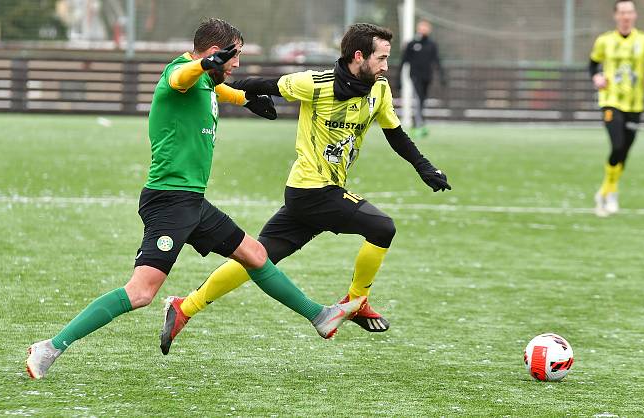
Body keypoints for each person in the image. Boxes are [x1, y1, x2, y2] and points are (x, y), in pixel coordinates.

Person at [25, 18, 364, 379]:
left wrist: (248, 99)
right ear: (216, 53)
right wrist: (203, 64)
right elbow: (181, 78)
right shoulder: (181, 72)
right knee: (140, 293)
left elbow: (222, 90)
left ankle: (319, 315)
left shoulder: (207, 80)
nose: (237, 65)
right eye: (234, 57)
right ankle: (50, 347)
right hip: (169, 202)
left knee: (255, 255)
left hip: (192, 203)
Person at [158, 23, 451, 355]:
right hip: (312, 190)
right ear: (359, 56)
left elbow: (395, 133)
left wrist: (423, 166)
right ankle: (356, 301)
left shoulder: (380, 90)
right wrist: (232, 92)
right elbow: (261, 83)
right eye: (381, 58)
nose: (386, 66)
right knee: (382, 227)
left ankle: (185, 307)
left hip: (316, 193)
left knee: (257, 258)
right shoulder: (315, 83)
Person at [589, 0, 644, 217]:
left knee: (624, 151)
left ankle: (605, 190)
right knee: (617, 144)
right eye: (622, 12)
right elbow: (592, 63)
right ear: (616, 16)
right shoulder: (605, 40)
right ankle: (611, 193)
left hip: (635, 103)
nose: (626, 16)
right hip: (611, 100)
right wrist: (596, 76)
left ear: (635, 15)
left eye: (629, 12)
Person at [396, 19, 445, 138]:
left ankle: (415, 123)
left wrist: (442, 76)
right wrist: (398, 79)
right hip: (415, 76)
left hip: (427, 77)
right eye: (421, 27)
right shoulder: (412, 44)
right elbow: (403, 62)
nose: (423, 30)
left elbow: (437, 61)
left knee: (422, 100)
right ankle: (419, 125)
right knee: (418, 99)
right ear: (418, 29)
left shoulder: (432, 45)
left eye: (425, 28)